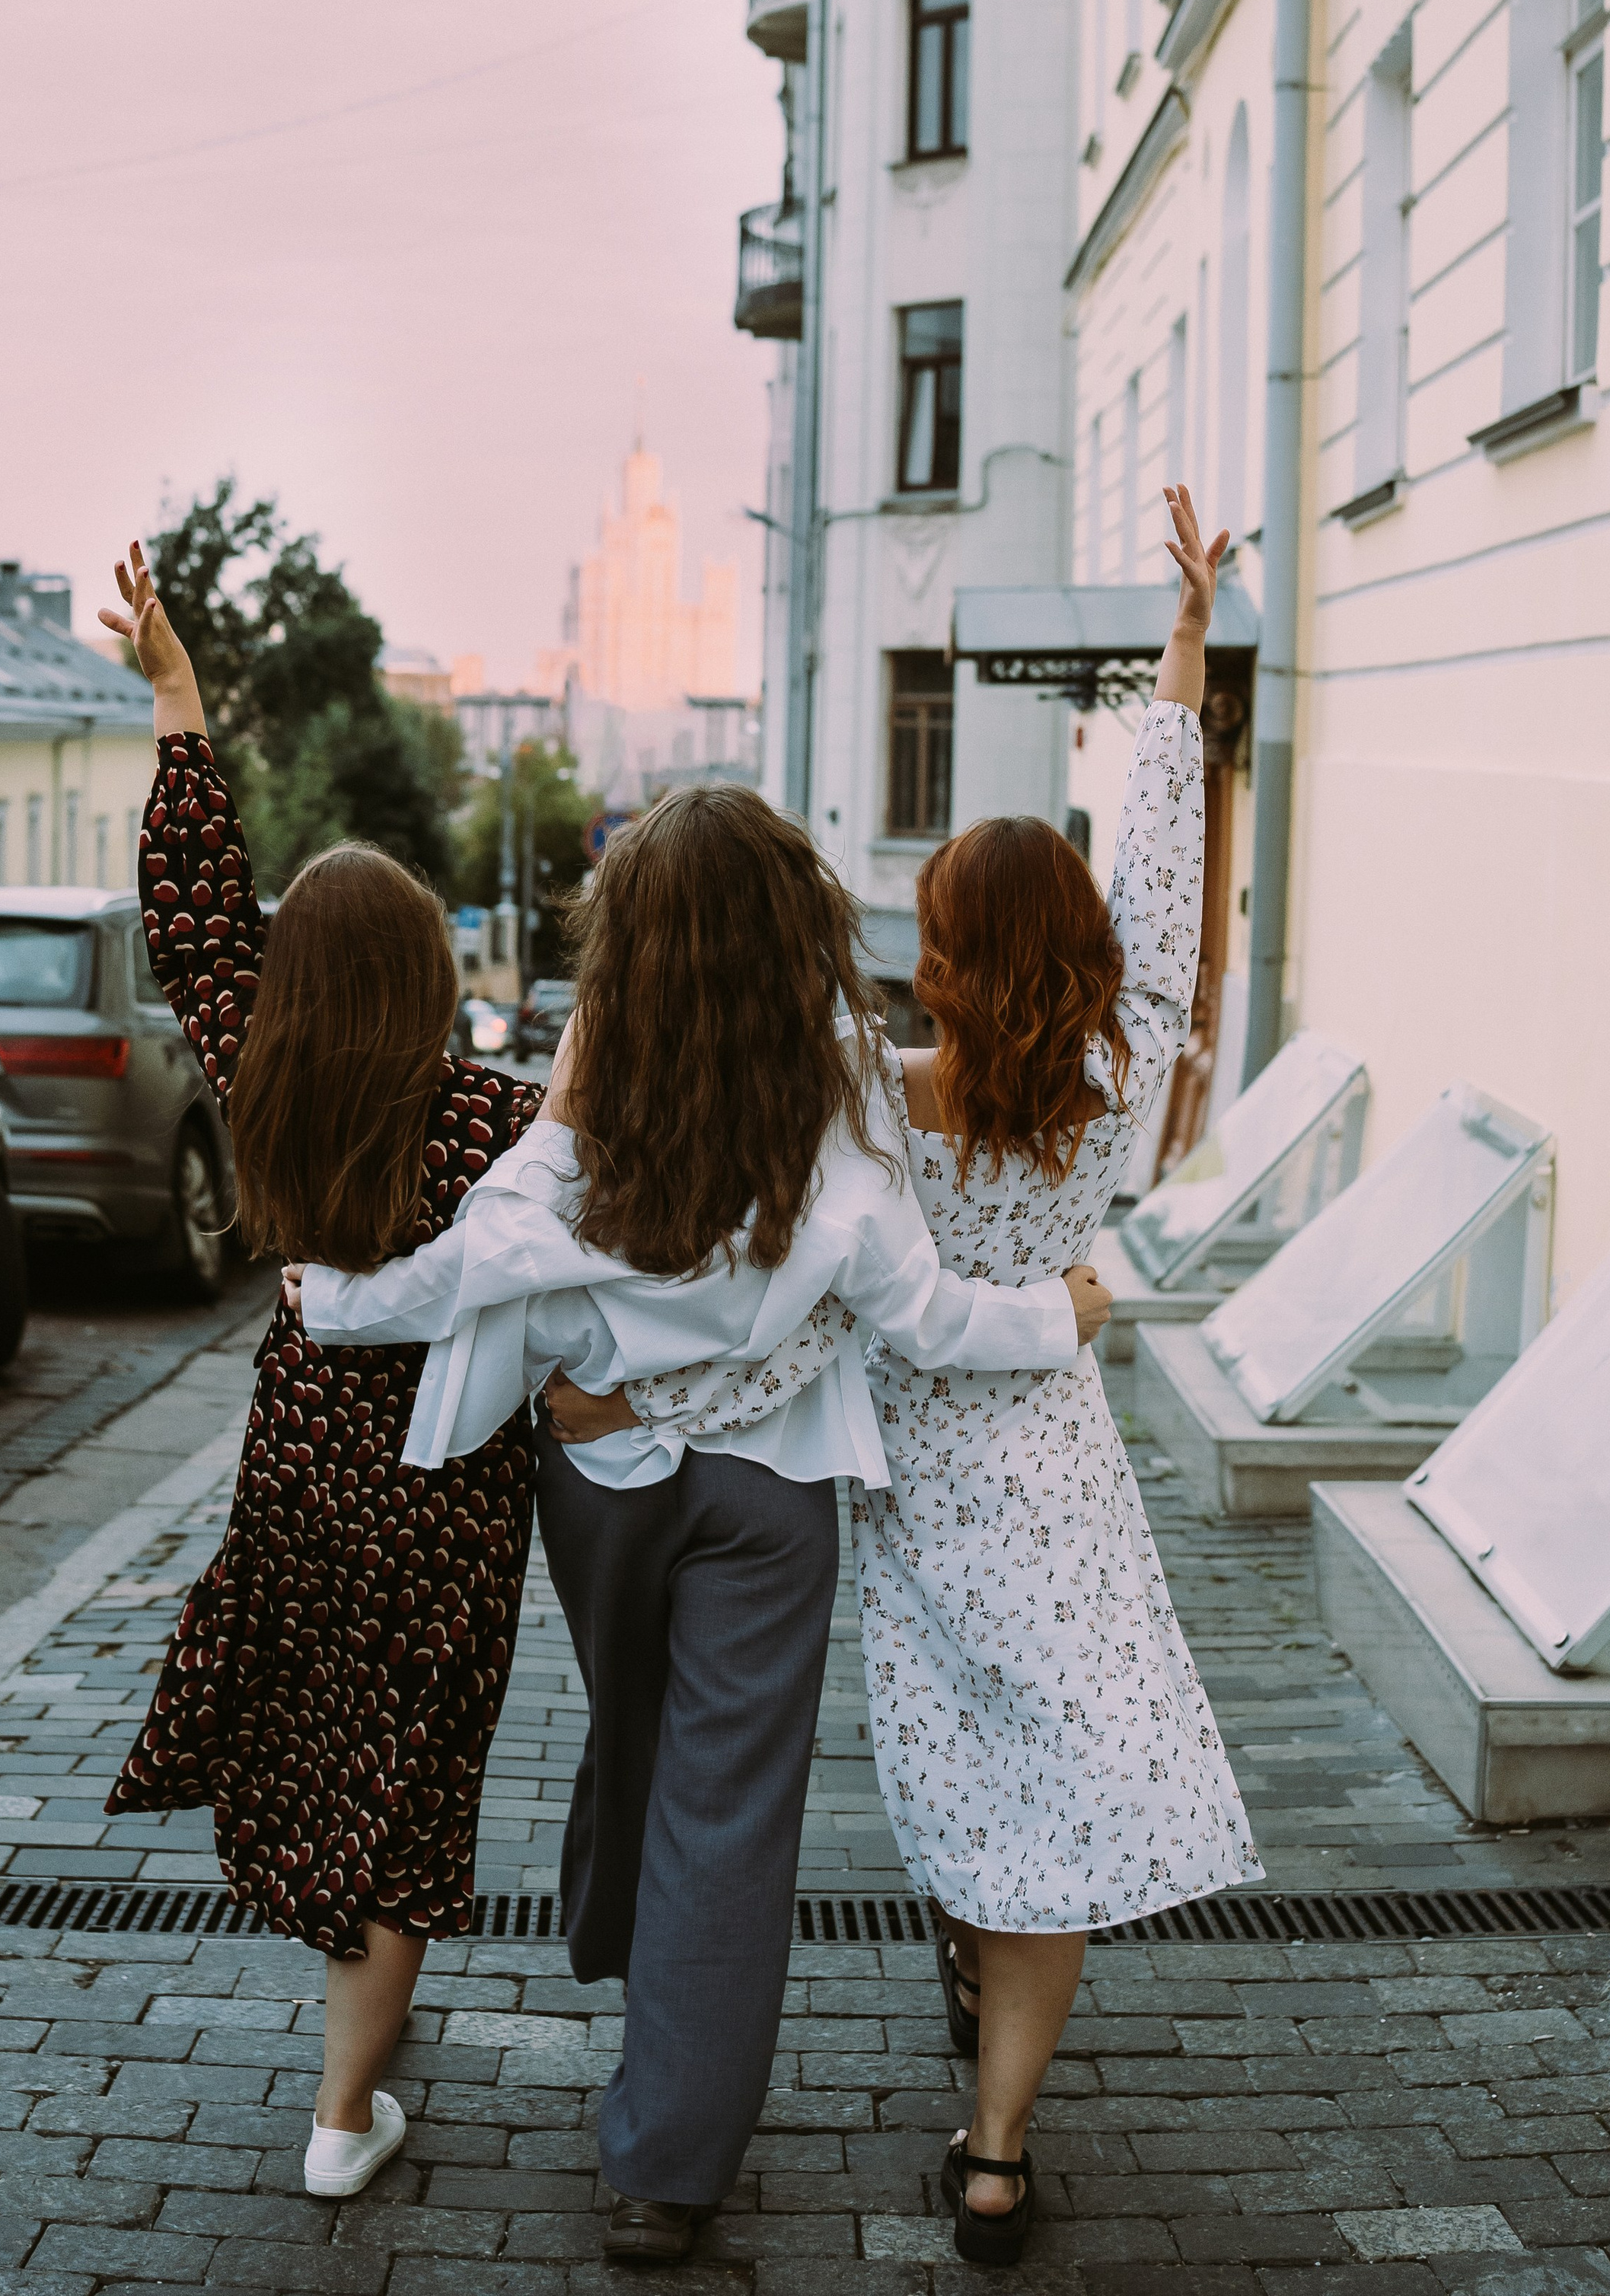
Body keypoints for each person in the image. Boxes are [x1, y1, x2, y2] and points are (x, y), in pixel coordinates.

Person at [290, 795, 1114, 2265]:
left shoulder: (585, 1126)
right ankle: (662, 2174)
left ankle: (644, 1998)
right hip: (770, 1499)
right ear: (794, 937)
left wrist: (326, 1299)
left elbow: (460, 1272)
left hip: (599, 1489)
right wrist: (1065, 1311)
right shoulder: (841, 1127)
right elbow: (926, 1315)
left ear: (635, 955)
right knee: (722, 1812)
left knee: (640, 1740)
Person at [595, 485, 1261, 2266]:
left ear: (943, 958)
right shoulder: (1125, 1073)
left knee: (964, 1781)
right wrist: (1179, 658)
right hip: (1054, 1471)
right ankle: (992, 2151)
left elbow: (743, 1020)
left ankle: (963, 1971)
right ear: (1088, 962)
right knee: (1047, 1792)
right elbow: (1162, 864)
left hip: (890, 1473)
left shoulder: (876, 1088)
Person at [96, 543, 543, 2205]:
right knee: (411, 1771)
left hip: (300, 1460)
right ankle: (343, 2117)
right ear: (429, 972)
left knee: (323, 1729)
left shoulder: (256, 1069)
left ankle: (341, 1956)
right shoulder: (496, 1120)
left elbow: (196, 906)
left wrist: (176, 697)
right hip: (448, 1481)